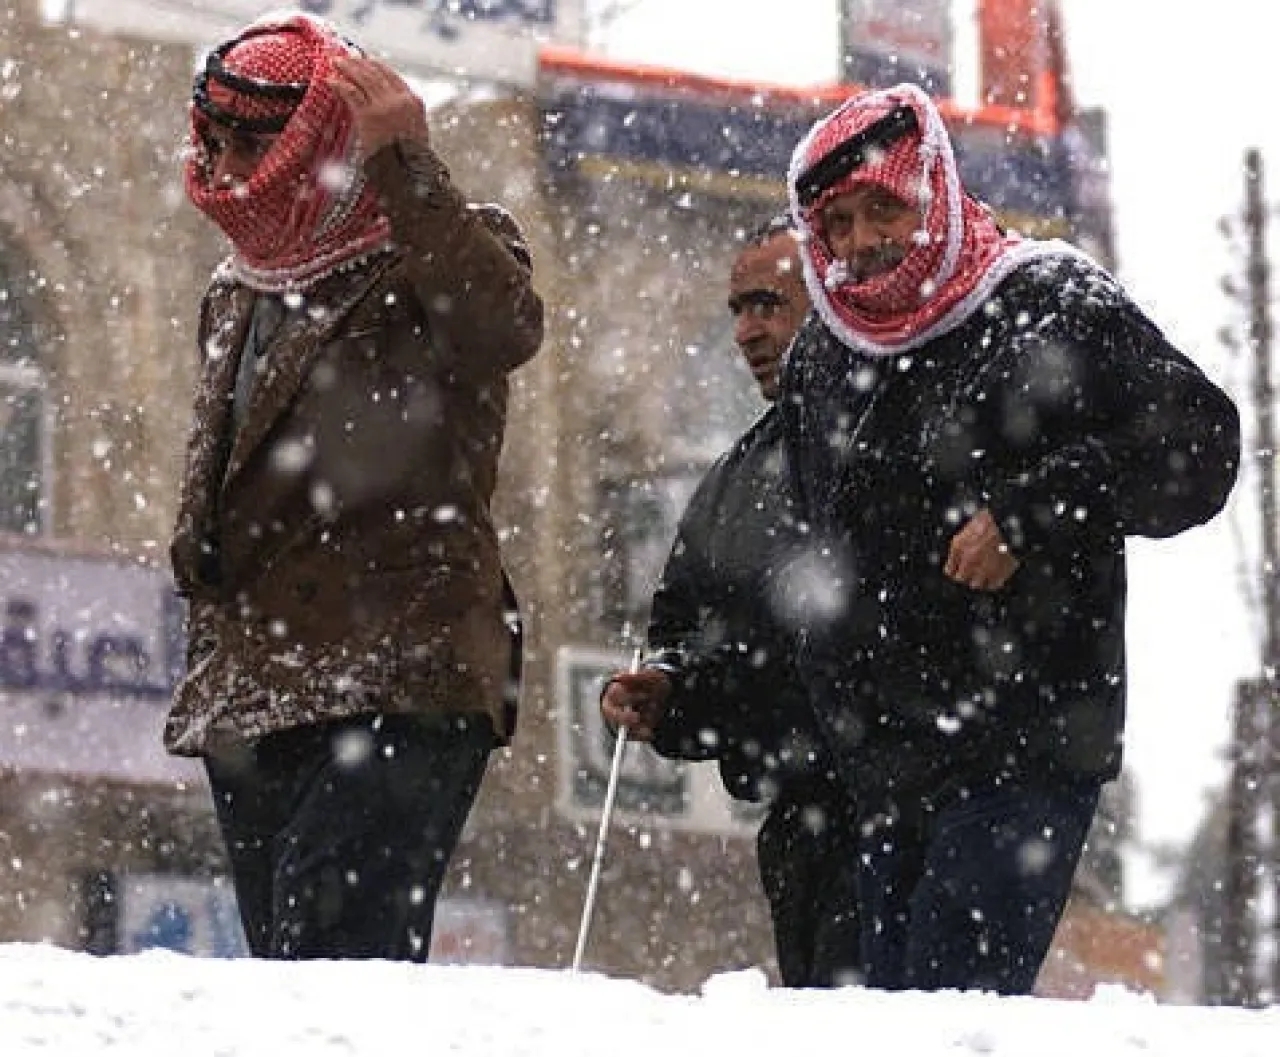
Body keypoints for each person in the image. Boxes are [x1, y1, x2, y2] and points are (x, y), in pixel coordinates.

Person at [775, 82, 1240, 994]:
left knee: (951, 1019)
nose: (862, 243)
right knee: (881, 1026)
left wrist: (1032, 515)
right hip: (880, 772)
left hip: (1022, 748)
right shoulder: (821, 355)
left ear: (935, 191)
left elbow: (1199, 443)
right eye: (837, 224)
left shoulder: (1050, 299)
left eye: (884, 209)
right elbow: (805, 551)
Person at [163, 12, 543, 961]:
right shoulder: (237, 289)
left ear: (323, 146)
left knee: (338, 970)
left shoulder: (429, 251)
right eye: (215, 142)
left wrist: (404, 162)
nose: (228, 170)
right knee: (292, 984)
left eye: (255, 145)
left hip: (396, 677)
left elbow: (503, 327)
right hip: (256, 693)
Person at [600, 217, 862, 987]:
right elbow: (685, 631)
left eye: (769, 304)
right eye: (739, 309)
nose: (747, 332)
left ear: (833, 298)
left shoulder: (905, 434)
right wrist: (668, 689)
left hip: (909, 813)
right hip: (799, 821)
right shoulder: (736, 480)